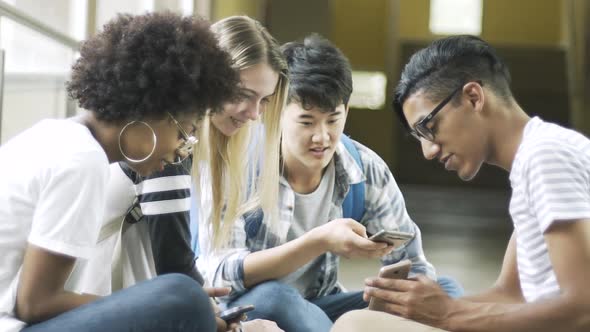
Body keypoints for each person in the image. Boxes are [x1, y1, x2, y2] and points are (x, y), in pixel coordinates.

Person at [198, 34, 462, 332]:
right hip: (250, 309)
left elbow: (414, 265)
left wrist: (393, 298)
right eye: (307, 122)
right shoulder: (238, 164)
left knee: (444, 290)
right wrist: (319, 241)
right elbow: (219, 274)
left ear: (346, 112)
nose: (322, 137)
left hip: (319, 308)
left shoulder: (364, 170)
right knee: (276, 297)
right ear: (273, 112)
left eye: (333, 120)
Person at [0, 12, 240, 332]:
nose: (179, 151)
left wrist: (145, 303)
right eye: (184, 132)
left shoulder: (55, 136)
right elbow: (35, 304)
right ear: (150, 111)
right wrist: (157, 307)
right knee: (182, 295)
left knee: (177, 297)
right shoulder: (82, 162)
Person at [332, 35, 590, 332]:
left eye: (428, 127)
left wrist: (449, 315)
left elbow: (583, 308)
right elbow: (511, 295)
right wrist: (422, 309)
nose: (428, 151)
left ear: (473, 97)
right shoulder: (534, 160)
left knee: (356, 326)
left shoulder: (546, 156)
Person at [64, 15, 288, 332]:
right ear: (210, 82)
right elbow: (176, 271)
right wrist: (233, 328)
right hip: (86, 306)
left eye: (264, 101)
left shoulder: (156, 136)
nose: (253, 114)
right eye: (243, 94)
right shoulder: (160, 146)